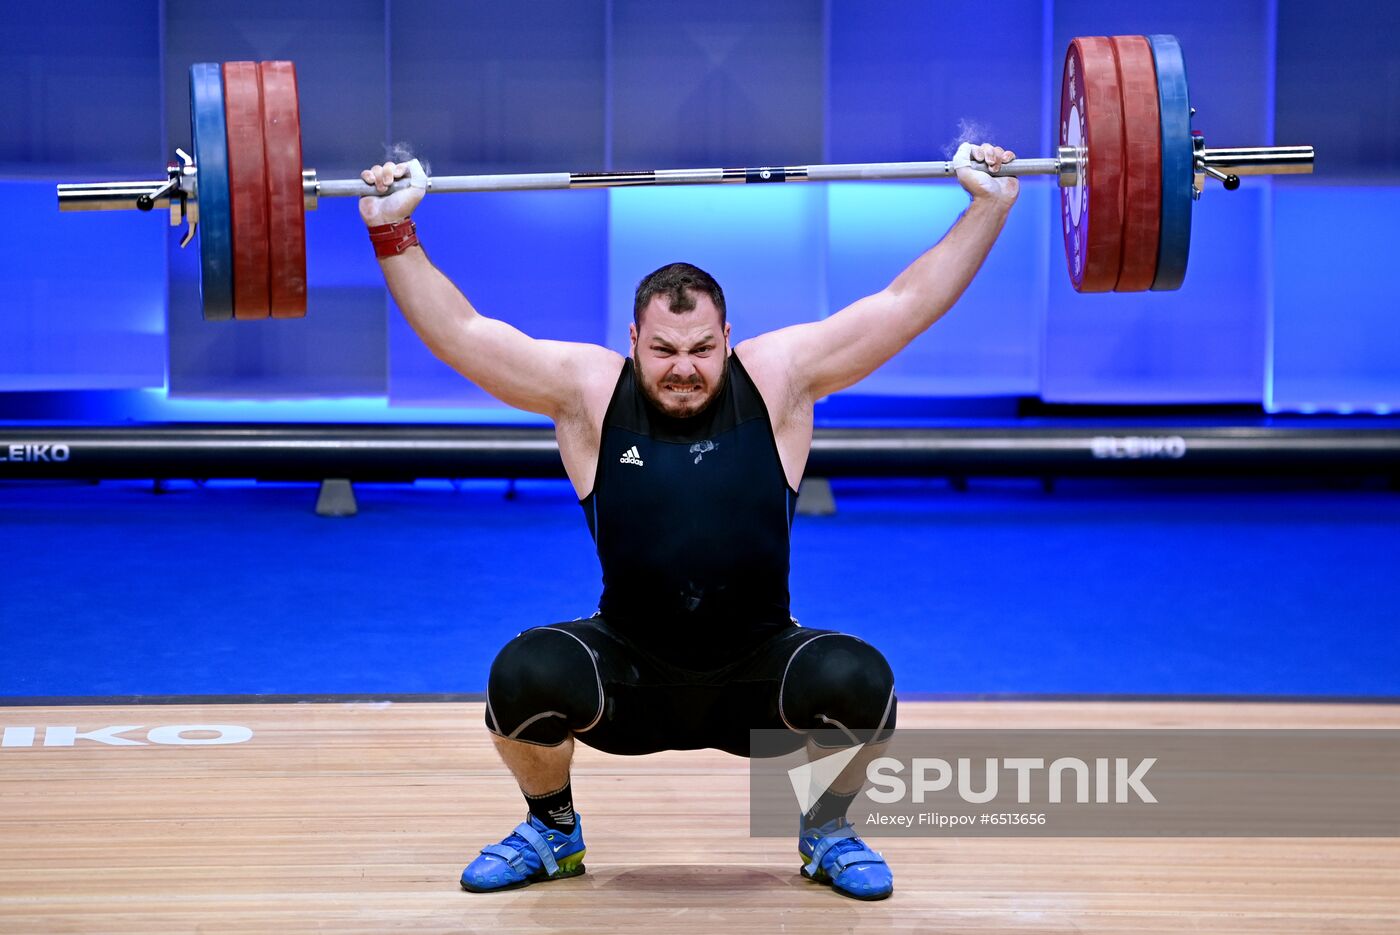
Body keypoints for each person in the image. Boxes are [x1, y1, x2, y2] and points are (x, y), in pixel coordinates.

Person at [360, 142, 1018, 901]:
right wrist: (392, 232)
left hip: (759, 678)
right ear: (633, 340)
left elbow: (903, 306)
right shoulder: (588, 393)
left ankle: (826, 827)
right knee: (522, 674)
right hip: (627, 674)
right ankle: (553, 829)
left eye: (703, 348)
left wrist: (987, 206)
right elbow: (465, 335)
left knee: (860, 680)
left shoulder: (779, 381)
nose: (684, 366)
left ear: (728, 338)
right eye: (665, 349)